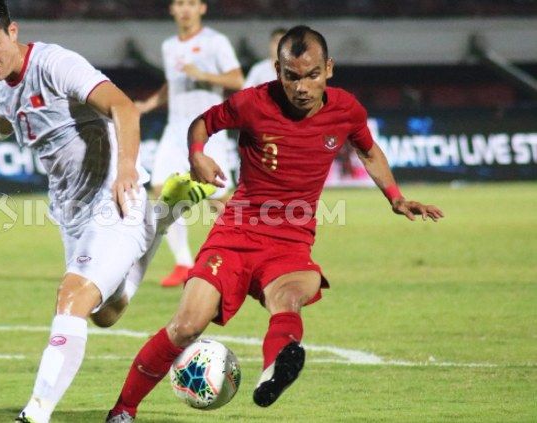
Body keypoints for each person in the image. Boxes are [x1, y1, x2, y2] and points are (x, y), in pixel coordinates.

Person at [105, 25, 444, 422]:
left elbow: (368, 152)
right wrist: (197, 154)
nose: (302, 86)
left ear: (329, 69)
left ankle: (273, 372)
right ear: (277, 71)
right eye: (292, 75)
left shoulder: (347, 110)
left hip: (291, 241)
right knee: (186, 326)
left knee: (288, 299)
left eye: (312, 74)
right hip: (236, 232)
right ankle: (123, 410)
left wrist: (396, 198)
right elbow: (203, 122)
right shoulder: (253, 103)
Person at [0, 2, 213, 422]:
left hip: (114, 198)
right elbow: (1, 119)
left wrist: (126, 167)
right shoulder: (3, 86)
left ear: (12, 31)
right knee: (104, 313)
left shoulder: (56, 64)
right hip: (71, 212)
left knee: (70, 298)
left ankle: (36, 411)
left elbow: (122, 107)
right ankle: (163, 216)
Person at [135, 0, 244, 287]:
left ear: (202, 8)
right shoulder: (169, 45)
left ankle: (242, 255)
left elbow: (237, 79)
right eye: (180, 4)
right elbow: (172, 84)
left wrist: (203, 75)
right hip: (175, 130)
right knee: (161, 191)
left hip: (208, 128)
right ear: (172, 9)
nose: (185, 9)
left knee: (217, 198)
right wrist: (147, 105)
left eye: (191, 3)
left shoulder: (215, 42)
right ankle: (184, 262)